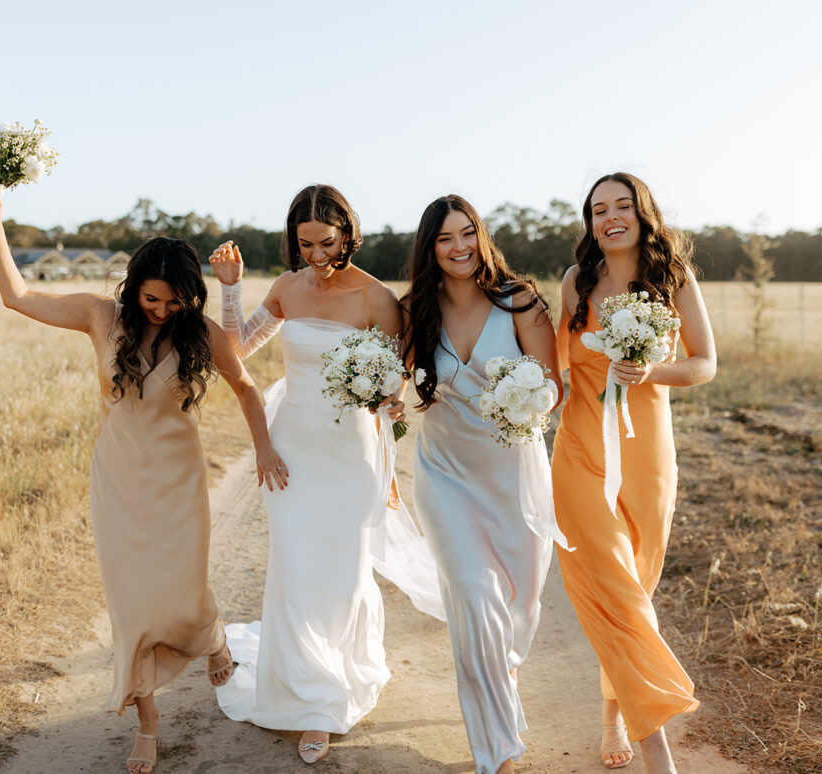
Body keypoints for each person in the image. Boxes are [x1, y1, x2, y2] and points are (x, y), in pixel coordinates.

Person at [0, 176, 286, 774]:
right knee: (132, 603)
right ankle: (147, 720)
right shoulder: (99, 317)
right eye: (152, 301)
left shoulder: (200, 332)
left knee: (184, 592)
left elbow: (245, 387)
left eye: (174, 303)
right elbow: (15, 295)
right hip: (118, 481)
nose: (163, 312)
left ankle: (212, 635)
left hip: (179, 482)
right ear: (133, 286)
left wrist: (264, 448)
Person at [208, 184, 444, 765]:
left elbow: (397, 385)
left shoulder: (377, 299)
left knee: (341, 572)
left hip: (351, 455)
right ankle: (309, 695)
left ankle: (334, 685)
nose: (316, 253)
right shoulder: (288, 287)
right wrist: (231, 289)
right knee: (294, 566)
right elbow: (238, 347)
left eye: (328, 242)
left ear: (348, 233)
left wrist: (389, 408)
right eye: (305, 242)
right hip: (290, 449)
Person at [552, 173, 716, 772]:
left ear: (644, 213)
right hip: (578, 455)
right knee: (614, 590)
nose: (611, 217)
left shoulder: (674, 279)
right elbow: (557, 367)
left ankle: (613, 716)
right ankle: (658, 747)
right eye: (599, 209)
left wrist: (651, 373)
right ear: (590, 222)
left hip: (647, 456)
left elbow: (704, 364)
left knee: (636, 591)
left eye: (623, 206)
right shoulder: (576, 282)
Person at [401, 195, 567, 774]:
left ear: (482, 235)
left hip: (514, 478)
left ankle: (503, 673)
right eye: (445, 239)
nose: (460, 247)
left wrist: (534, 401)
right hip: (445, 477)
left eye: (468, 233)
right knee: (473, 596)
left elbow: (554, 384)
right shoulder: (413, 310)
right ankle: (497, 753)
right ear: (430, 248)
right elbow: (394, 392)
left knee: (518, 608)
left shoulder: (518, 299)